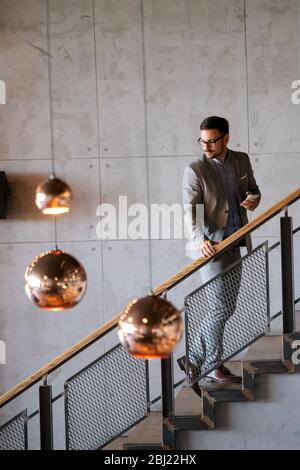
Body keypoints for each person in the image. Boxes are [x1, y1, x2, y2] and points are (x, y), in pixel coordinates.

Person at [178, 116, 261, 387]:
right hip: (210, 248)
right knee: (220, 306)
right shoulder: (195, 170)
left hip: (236, 241)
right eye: (202, 140)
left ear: (226, 138)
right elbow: (190, 211)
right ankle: (212, 366)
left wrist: (253, 200)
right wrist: (199, 239)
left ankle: (194, 359)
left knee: (228, 307)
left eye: (212, 140)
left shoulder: (241, 160)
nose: (206, 146)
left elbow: (254, 190)